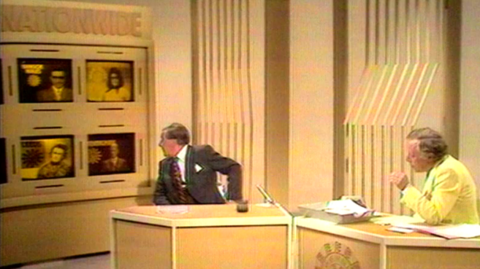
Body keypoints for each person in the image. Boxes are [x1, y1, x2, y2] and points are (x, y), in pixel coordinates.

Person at [388, 127, 479, 225]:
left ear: (430, 156)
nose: (407, 159)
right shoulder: (437, 168)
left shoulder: (448, 170)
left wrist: (406, 188)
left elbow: (434, 216)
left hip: (462, 236)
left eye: (412, 155)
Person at [153, 123, 243, 205]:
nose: (160, 144)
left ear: (174, 141)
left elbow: (233, 167)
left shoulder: (202, 153)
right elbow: (159, 194)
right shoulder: (165, 164)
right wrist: (169, 210)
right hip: (180, 216)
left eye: (163, 140)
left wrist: (233, 198)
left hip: (208, 210)